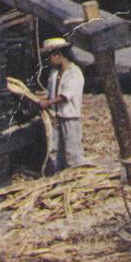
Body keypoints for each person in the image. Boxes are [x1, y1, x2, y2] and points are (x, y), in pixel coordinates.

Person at [37, 37, 85, 175]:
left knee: (72, 148)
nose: (48, 60)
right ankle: (59, 174)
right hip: (56, 116)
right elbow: (51, 93)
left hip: (70, 116)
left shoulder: (74, 72)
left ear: (58, 55)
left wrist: (47, 103)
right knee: (56, 148)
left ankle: (77, 175)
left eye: (49, 56)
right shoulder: (54, 73)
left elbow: (64, 96)